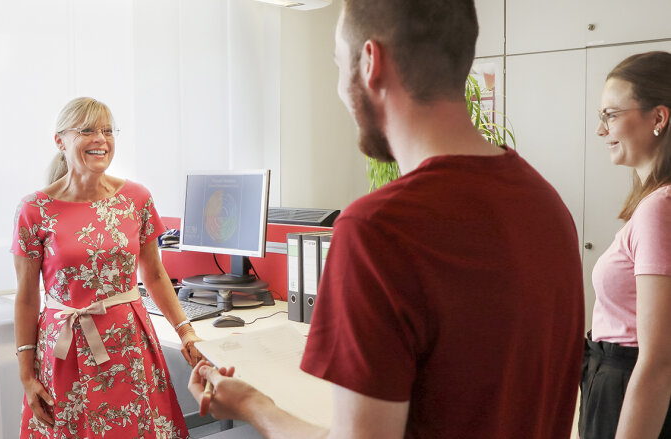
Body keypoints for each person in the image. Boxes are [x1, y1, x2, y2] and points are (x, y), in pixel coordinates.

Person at [188, 1, 584, 438]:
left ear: (371, 62)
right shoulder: (547, 205)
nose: (340, 87)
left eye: (340, 65)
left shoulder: (377, 229)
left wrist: (252, 404)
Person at [12, 97, 201, 438]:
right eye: (87, 130)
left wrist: (185, 332)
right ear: (60, 141)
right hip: (63, 348)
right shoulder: (33, 210)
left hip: (128, 345)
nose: (101, 139)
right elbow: (27, 297)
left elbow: (155, 275)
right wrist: (26, 373)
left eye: (107, 130)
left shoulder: (136, 199)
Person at [580, 51, 671, 439]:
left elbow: (658, 361)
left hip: (628, 386)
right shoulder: (655, 205)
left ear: (658, 118)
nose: (602, 131)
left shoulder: (659, 210)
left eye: (611, 115)